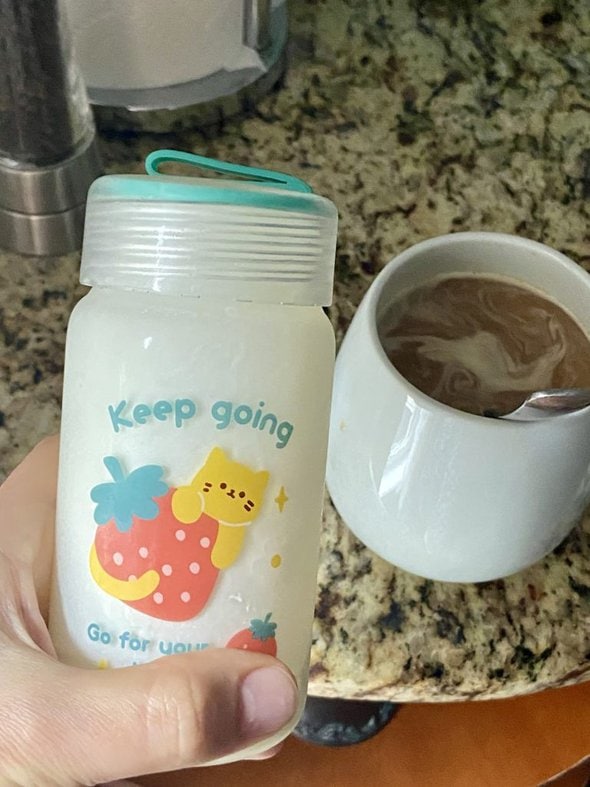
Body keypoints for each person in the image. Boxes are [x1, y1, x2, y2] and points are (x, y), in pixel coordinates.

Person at [0, 437, 297, 785]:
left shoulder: (220, 529)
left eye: (243, 499)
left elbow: (221, 556)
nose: (230, 496)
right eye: (220, 487)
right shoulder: (182, 502)